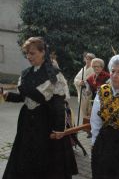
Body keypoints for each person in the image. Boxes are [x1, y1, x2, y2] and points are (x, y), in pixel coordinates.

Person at [1, 37, 78, 179]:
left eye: (32, 53)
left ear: (43, 52)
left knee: (46, 160)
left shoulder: (54, 74)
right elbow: (23, 97)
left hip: (46, 122)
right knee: (25, 157)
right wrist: (6, 95)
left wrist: (59, 129)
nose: (29, 57)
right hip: (26, 122)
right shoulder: (26, 73)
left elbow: (58, 105)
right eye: (27, 54)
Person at [74, 52, 95, 123]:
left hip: (90, 93)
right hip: (82, 92)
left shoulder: (94, 69)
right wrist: (79, 82)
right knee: (83, 110)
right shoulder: (83, 69)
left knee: (90, 110)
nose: (88, 60)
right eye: (87, 59)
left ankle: (89, 127)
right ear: (85, 59)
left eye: (90, 59)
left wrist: (87, 83)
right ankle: (84, 127)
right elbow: (76, 79)